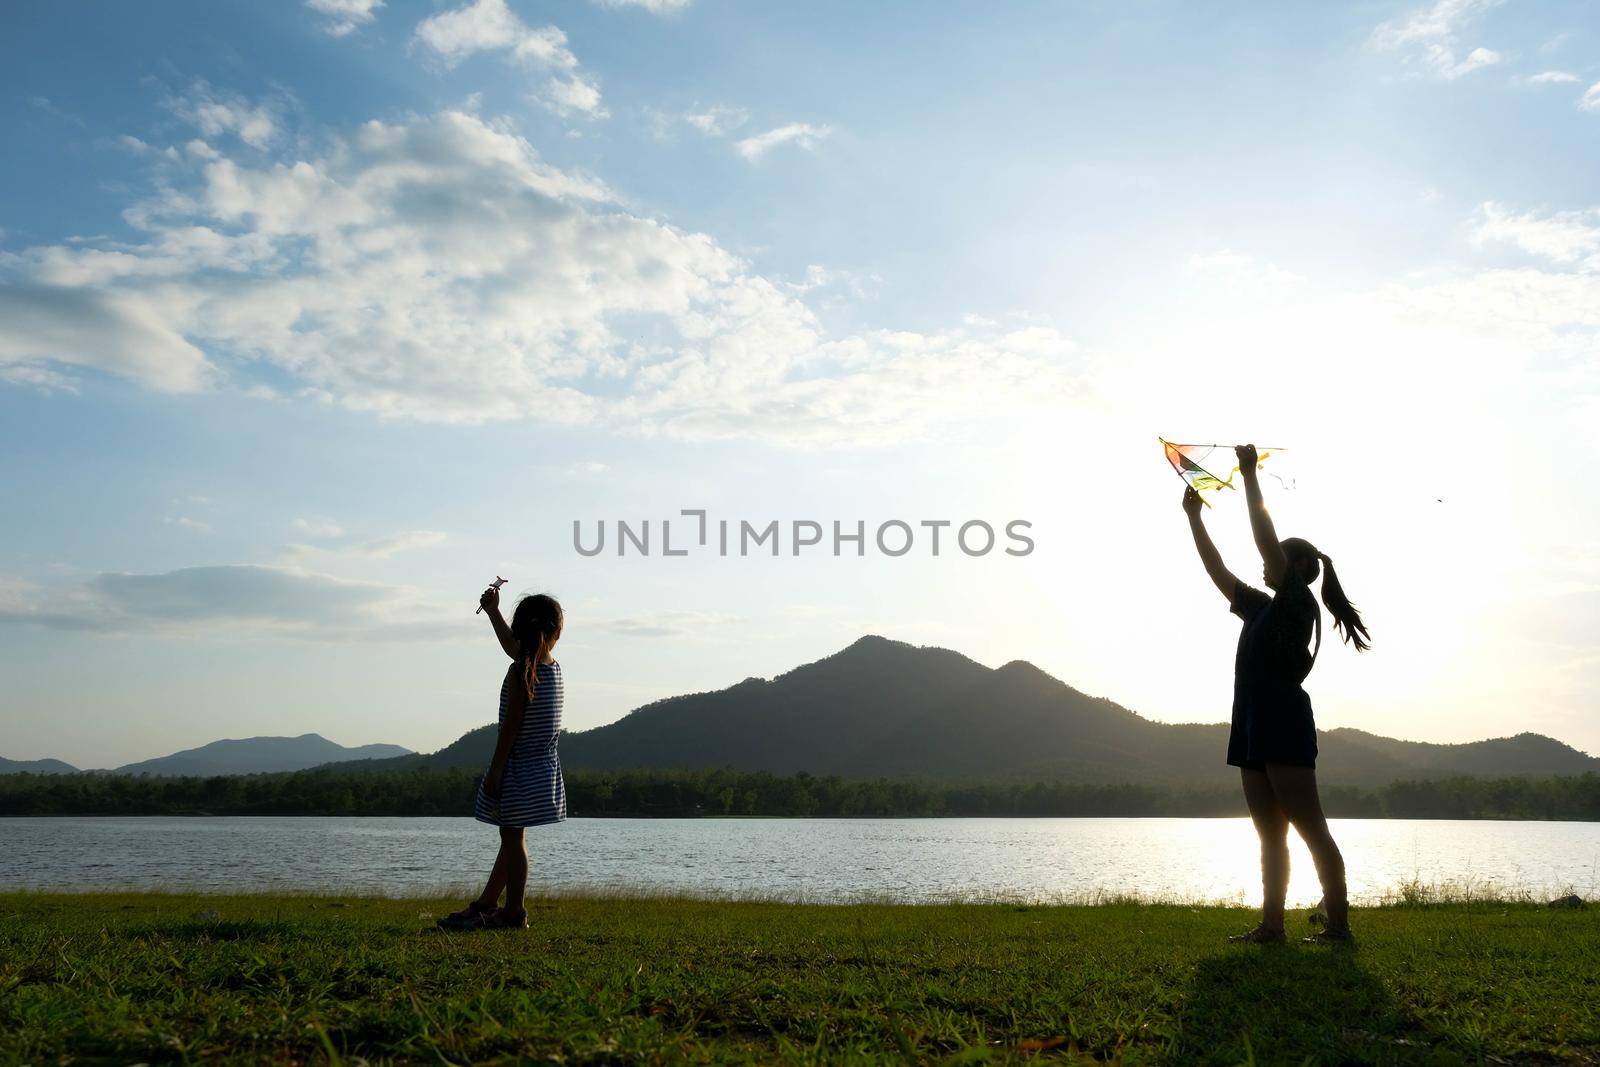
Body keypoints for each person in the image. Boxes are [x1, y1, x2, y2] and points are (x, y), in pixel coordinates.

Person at [1182, 444, 1370, 944]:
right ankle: (1272, 926)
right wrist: (1193, 518)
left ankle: (1339, 926)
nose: (1266, 563)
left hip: (1282, 719)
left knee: (1309, 826)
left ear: (1295, 567)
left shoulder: (1296, 601)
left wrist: (1248, 476)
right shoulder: (1261, 606)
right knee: (1269, 833)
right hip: (1249, 721)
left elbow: (1263, 536)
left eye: (1276, 559)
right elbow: (1217, 571)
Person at [437, 586, 566, 931]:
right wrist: (493, 612)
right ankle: (488, 904)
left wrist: (495, 771)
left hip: (518, 766)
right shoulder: (549, 666)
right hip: (540, 766)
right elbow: (514, 647)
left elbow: (510, 728)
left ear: (521, 629)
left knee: (512, 839)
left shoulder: (521, 671)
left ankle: (514, 912)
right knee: (511, 837)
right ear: (556, 633)